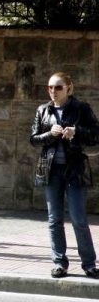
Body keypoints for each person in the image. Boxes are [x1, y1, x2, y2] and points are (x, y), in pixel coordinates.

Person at [30, 71, 98, 279]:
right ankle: (60, 263)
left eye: (58, 87)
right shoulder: (43, 110)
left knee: (78, 218)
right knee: (54, 219)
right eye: (50, 87)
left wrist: (77, 132)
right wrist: (50, 134)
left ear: (69, 88)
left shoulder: (81, 108)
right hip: (51, 171)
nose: (53, 91)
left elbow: (96, 135)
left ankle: (89, 264)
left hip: (74, 169)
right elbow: (33, 139)